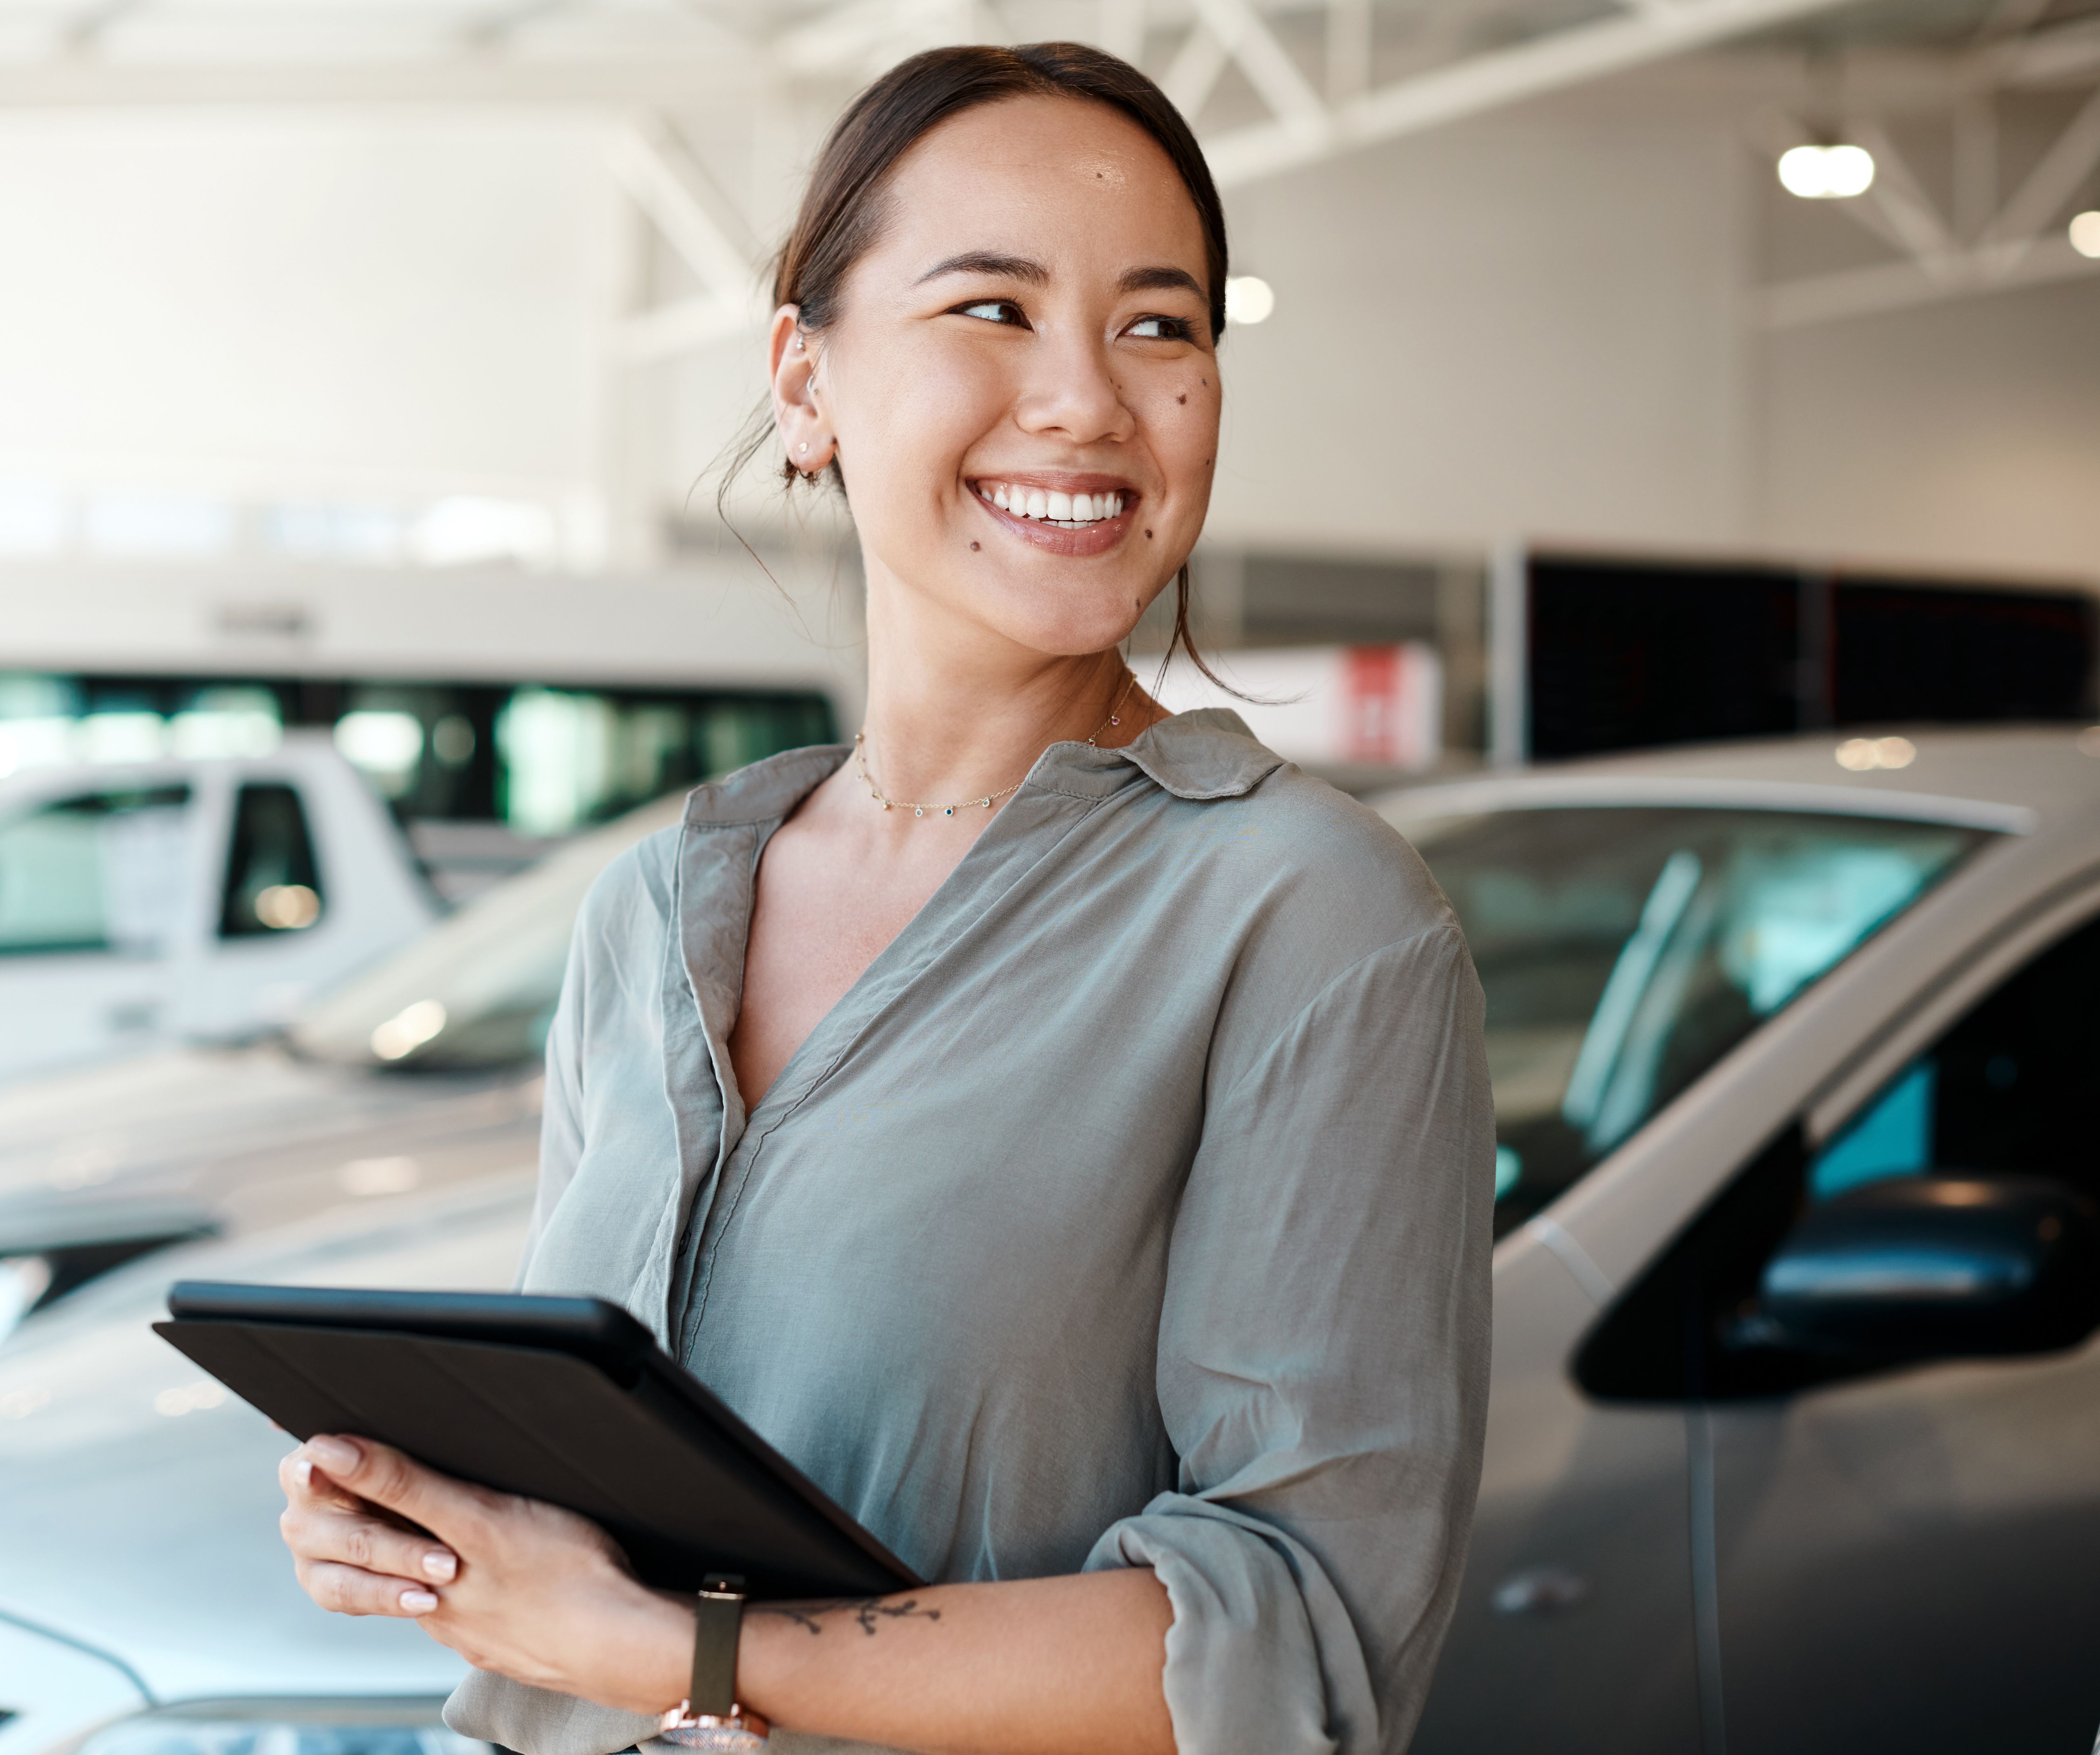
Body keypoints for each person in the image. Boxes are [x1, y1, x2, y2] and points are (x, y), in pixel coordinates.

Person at [275, 41, 1494, 1755]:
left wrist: (677, 1655)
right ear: (805, 380)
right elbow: (597, 1487)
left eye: (1162, 325)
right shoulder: (654, 909)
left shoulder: (1308, 917)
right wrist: (422, 1525)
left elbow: (1302, 1628)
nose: (1087, 398)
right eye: (991, 308)